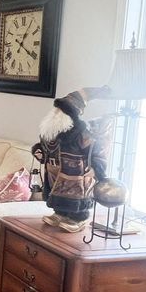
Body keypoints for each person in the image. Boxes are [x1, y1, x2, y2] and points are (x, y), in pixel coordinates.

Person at [32, 86, 111, 233]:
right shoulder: (52, 131)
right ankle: (60, 214)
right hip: (55, 170)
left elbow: (95, 150)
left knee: (75, 196)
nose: (56, 113)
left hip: (75, 173)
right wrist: (39, 150)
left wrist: (98, 170)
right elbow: (46, 146)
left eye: (60, 110)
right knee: (56, 191)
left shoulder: (81, 133)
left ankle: (79, 218)